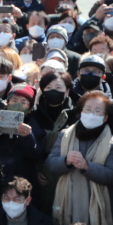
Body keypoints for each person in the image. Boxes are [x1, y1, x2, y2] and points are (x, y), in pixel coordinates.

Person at [47, 91, 113, 225]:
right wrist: (65, 161)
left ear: (105, 117)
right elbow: (50, 163)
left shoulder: (112, 142)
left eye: (97, 111)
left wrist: (87, 166)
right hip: (68, 203)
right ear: (81, 112)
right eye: (87, 109)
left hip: (98, 207)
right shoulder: (64, 135)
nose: (91, 114)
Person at [0, 83, 43, 215]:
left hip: (20, 187)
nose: (18, 104)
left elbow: (35, 155)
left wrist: (27, 137)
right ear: (7, 103)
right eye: (14, 100)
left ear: (30, 108)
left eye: (24, 102)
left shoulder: (35, 128)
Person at [33, 72, 77, 214]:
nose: (53, 91)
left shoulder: (77, 114)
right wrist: (37, 169)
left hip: (68, 173)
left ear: (68, 90)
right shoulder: (34, 114)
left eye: (58, 87)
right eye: (48, 87)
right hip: (42, 175)